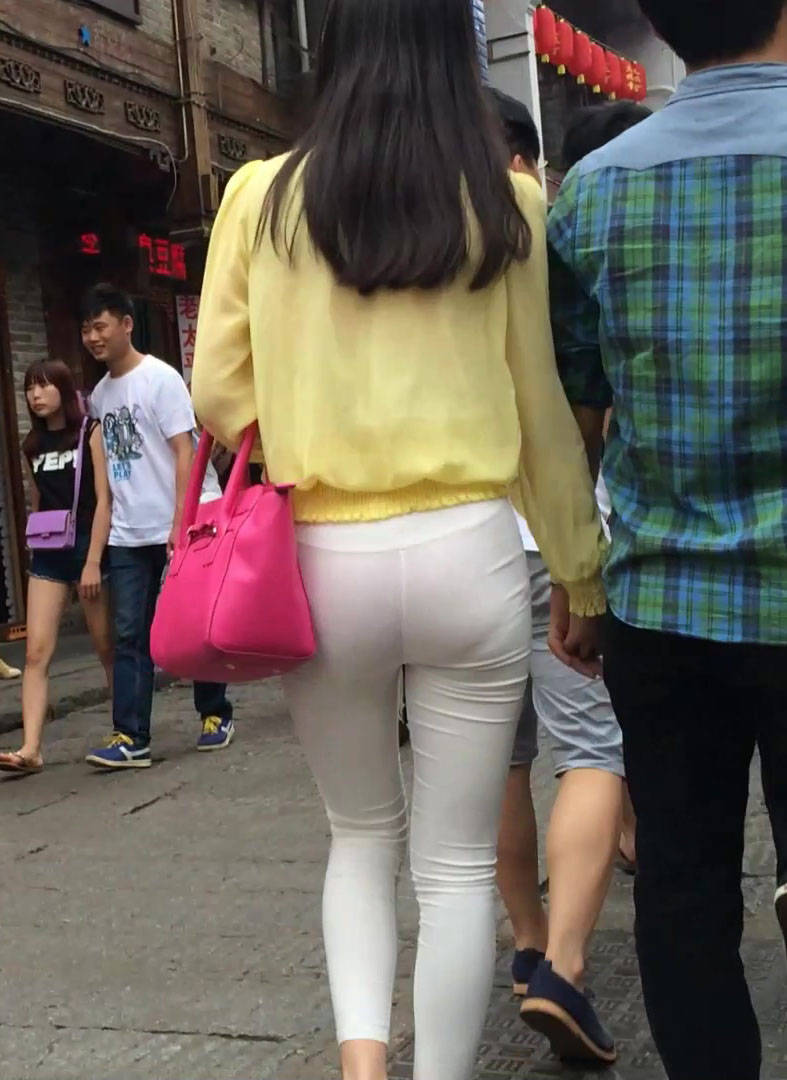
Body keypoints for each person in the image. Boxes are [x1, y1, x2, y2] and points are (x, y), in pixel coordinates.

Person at [190, 2, 607, 1078]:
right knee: (456, 865)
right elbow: (539, 410)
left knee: (360, 835)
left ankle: (363, 1066)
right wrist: (577, 570)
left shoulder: (260, 196)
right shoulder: (507, 202)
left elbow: (219, 392)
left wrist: (309, 416)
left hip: (324, 556)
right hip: (471, 547)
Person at [548, 2, 787, 1077]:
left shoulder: (593, 189)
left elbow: (580, 405)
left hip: (661, 604)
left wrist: (575, 577)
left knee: (683, 888)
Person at [493, 100, 651, 1067]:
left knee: (497, 762)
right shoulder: (551, 240)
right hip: (549, 530)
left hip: (451, 538)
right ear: (525, 163)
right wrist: (577, 564)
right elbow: (581, 418)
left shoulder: (390, 233)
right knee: (591, 747)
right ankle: (562, 965)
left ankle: (522, 943)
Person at [78, 284, 234, 769]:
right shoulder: (101, 396)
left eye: (100, 326)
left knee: (193, 624)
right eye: (85, 329)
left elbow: (185, 451)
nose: (93, 337)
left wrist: (180, 522)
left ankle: (215, 713)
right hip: (129, 532)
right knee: (129, 634)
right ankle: (131, 736)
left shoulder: (161, 379)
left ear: (126, 324)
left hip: (181, 523)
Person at [0, 360, 112, 776]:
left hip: (87, 545)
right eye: (30, 388)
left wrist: (94, 560)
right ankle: (31, 749)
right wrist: (33, 545)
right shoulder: (32, 445)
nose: (35, 395)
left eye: (44, 386)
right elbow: (38, 499)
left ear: (63, 389)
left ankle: (127, 729)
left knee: (106, 646)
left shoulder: (89, 432)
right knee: (35, 652)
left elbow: (104, 499)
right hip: (49, 551)